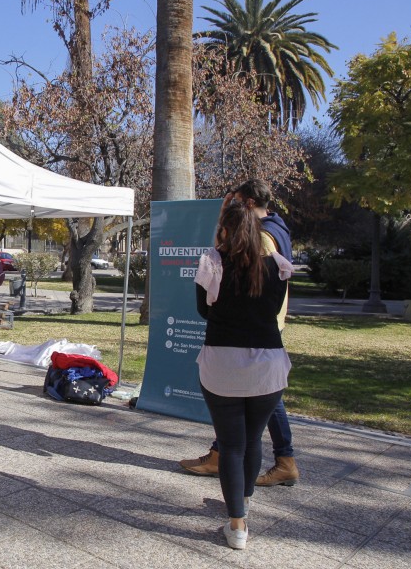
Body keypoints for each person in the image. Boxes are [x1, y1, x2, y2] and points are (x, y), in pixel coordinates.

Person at [180, 179, 300, 487]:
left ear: (246, 205)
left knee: (256, 398)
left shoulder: (262, 236)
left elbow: (235, 278)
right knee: (261, 395)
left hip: (253, 327)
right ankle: (240, 457)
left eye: (233, 202)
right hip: (264, 326)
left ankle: (272, 459)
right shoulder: (277, 228)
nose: (227, 210)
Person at [194, 202, 293, 550]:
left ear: (225, 230)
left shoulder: (212, 262)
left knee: (232, 445)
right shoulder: (279, 266)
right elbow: (271, 309)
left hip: (222, 363)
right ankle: (243, 502)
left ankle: (237, 525)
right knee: (252, 441)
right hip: (268, 364)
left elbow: (204, 309)